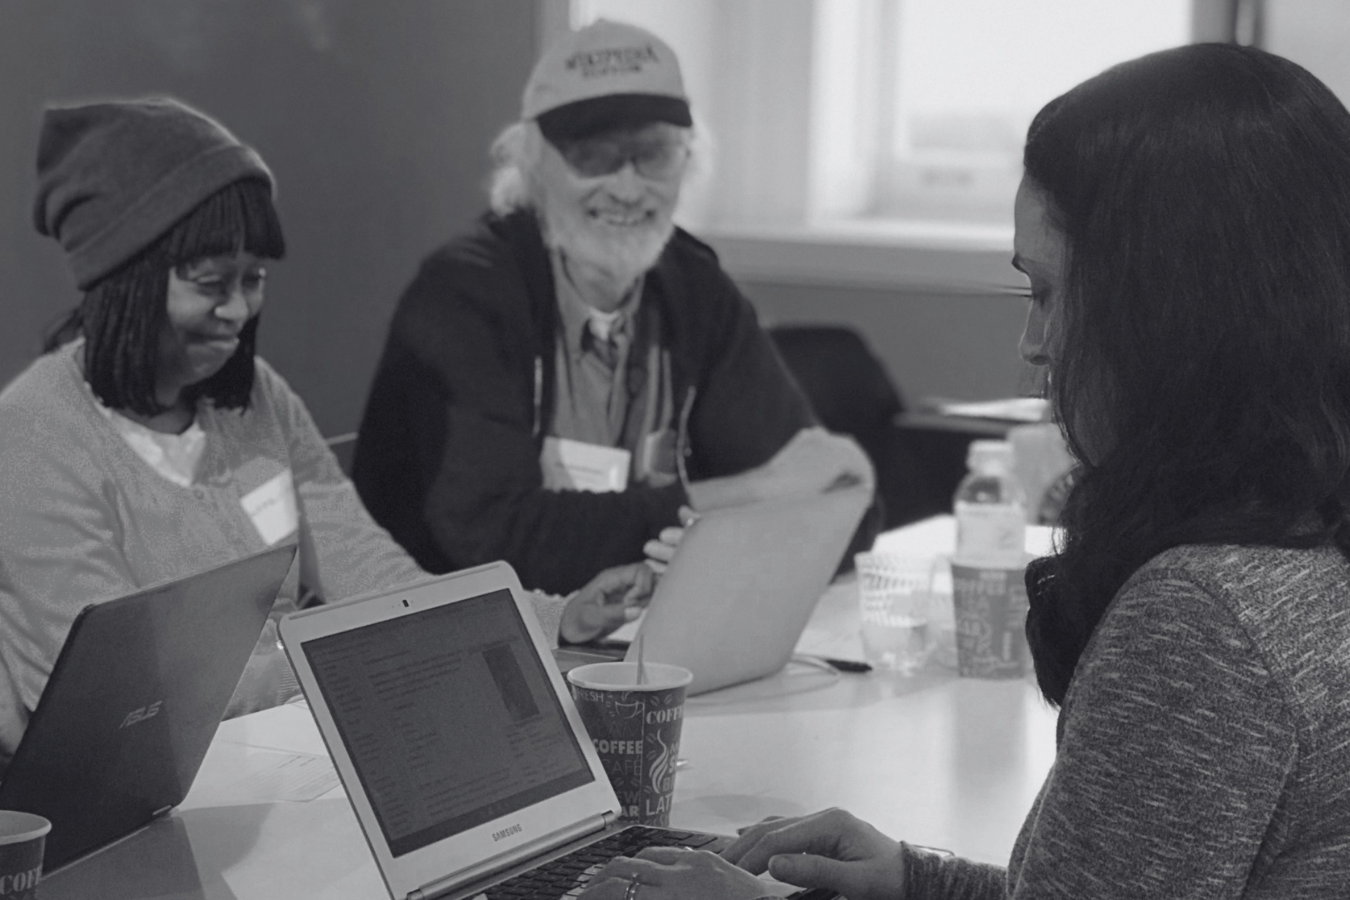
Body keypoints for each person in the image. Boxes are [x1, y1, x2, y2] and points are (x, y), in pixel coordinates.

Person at [575, 42, 1350, 900]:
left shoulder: (1203, 618)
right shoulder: (1306, 555)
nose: (1034, 344)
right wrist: (916, 881)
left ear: (1170, 306)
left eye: (1047, 292)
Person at [0, 97, 657, 770]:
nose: (238, 309)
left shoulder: (256, 399)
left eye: (253, 279)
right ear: (124, 281)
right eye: (210, 283)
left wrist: (554, 619)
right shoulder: (32, 436)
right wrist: (334, 662)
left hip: (292, 753)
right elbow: (130, 700)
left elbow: (374, 575)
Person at [352, 19, 874, 594]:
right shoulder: (464, 296)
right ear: (533, 162)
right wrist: (752, 493)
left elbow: (834, 502)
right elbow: (496, 542)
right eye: (593, 156)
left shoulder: (695, 289)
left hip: (634, 644)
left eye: (653, 155)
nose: (627, 189)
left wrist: (782, 495)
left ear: (688, 160)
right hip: (466, 651)